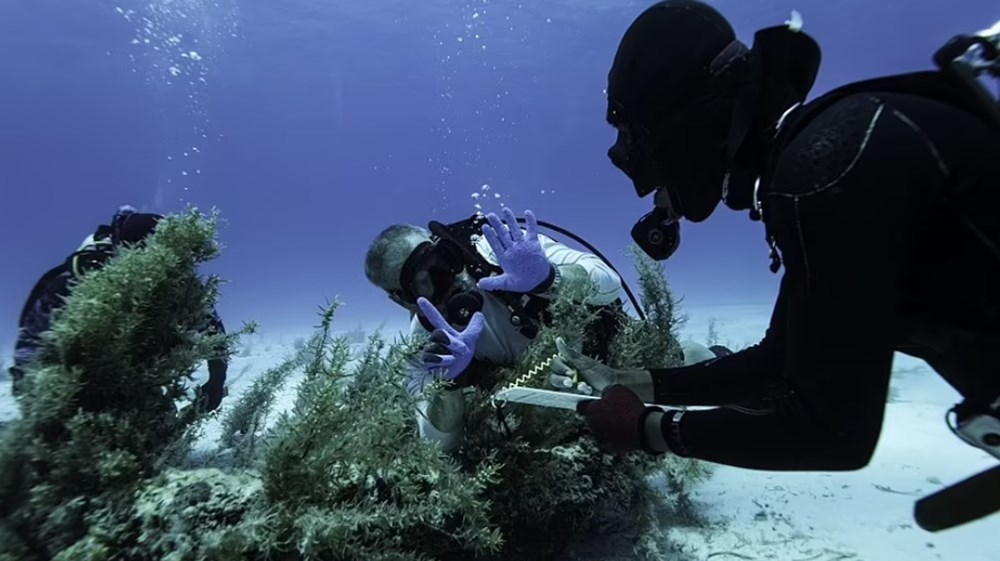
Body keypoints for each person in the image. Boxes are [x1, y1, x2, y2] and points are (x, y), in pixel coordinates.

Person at [549, 0, 1000, 496]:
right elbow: (777, 364)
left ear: (681, 125)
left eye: (638, 141)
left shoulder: (822, 172)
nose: (647, 187)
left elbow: (833, 432)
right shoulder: (832, 153)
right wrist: (630, 380)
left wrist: (648, 430)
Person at [365, 208, 717, 451]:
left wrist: (549, 277)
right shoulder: (425, 346)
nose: (449, 282)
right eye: (425, 283)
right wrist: (449, 384)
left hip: (609, 352)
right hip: (558, 413)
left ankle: (725, 364)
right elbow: (437, 442)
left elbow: (607, 281)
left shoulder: (499, 250)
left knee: (691, 365)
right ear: (402, 300)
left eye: (443, 263)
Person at [9, 205, 228, 412]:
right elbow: (29, 349)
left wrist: (216, 380)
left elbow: (213, 329)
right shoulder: (74, 282)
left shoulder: (182, 284)